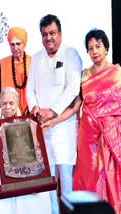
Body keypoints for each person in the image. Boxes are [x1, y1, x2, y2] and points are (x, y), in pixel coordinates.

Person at [26, 14, 82, 213]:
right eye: (44, 34)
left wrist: (52, 111)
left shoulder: (71, 54)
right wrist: (34, 108)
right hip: (42, 128)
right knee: (47, 181)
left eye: (52, 33)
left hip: (64, 128)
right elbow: (29, 88)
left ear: (60, 33)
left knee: (66, 180)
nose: (48, 38)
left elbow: (73, 89)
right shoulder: (37, 58)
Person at [0, 86, 51, 213]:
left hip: (24, 157)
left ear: (17, 103)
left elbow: (35, 147)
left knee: (37, 179)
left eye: (11, 103)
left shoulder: (28, 120)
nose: (7, 107)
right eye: (4, 103)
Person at [72, 29, 121, 213]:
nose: (94, 51)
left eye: (98, 46)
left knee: (111, 174)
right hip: (88, 135)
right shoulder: (84, 75)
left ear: (106, 48)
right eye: (90, 48)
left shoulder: (117, 73)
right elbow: (77, 104)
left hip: (111, 134)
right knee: (90, 175)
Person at [0, 27, 31, 115]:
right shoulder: (2, 63)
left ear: (24, 44)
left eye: (18, 44)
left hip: (30, 110)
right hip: (9, 111)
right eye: (12, 44)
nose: (15, 47)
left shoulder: (33, 62)